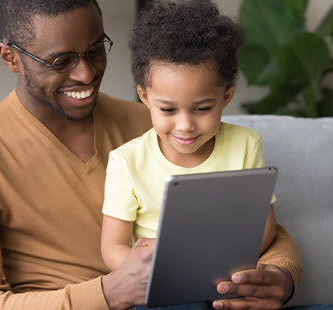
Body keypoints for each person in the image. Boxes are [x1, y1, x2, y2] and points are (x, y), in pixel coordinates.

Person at [0, 0, 303, 309]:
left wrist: (281, 276)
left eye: (95, 50)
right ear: (10, 58)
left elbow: (250, 224)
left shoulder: (157, 122)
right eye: (60, 61)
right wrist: (108, 293)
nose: (86, 73)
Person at [100, 0, 277, 285]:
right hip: (159, 282)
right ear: (145, 97)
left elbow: (264, 225)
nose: (185, 125)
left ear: (226, 97)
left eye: (202, 109)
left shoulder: (246, 144)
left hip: (225, 277)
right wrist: (154, 271)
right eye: (168, 110)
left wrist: (226, 265)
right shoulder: (127, 161)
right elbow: (112, 247)